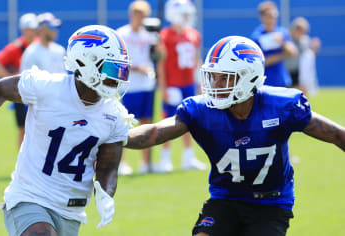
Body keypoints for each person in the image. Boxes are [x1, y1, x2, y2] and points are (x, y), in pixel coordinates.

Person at [125, 36, 345, 236]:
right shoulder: (202, 111)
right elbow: (155, 132)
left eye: (224, 79)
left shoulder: (281, 106)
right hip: (225, 200)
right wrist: (117, 136)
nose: (215, 86)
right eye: (213, 77)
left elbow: (336, 135)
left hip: (271, 203)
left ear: (248, 78)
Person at [0, 25, 133, 236]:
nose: (116, 79)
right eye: (111, 70)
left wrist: (106, 193)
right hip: (30, 196)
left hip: (70, 211)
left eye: (121, 71)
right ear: (85, 62)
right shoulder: (47, 87)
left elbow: (109, 166)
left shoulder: (114, 113)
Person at [156, 0, 206, 172]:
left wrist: (200, 82)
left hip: (188, 84)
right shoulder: (164, 35)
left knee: (189, 122)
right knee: (167, 123)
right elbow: (161, 64)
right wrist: (163, 88)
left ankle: (188, 157)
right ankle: (165, 159)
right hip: (172, 84)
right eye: (184, 14)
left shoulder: (193, 34)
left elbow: (197, 60)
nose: (187, 17)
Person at [116, 0, 161, 175]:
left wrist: (158, 43)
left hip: (147, 85)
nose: (140, 18)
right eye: (138, 14)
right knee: (124, 125)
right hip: (129, 86)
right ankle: (121, 162)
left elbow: (159, 56)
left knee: (147, 123)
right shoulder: (122, 35)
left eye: (143, 15)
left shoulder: (149, 35)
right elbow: (119, 61)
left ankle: (146, 162)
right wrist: (137, 68)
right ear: (132, 14)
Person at [0, 13, 38, 147]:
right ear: (23, 30)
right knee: (23, 128)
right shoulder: (16, 47)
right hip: (23, 93)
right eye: (30, 29)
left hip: (40, 92)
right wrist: (11, 81)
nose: (33, 32)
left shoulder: (41, 47)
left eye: (34, 29)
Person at [251, 1, 298, 87]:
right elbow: (261, 62)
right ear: (262, 17)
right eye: (269, 16)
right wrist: (282, 56)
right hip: (265, 83)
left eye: (274, 16)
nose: (272, 19)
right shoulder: (257, 36)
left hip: (282, 80)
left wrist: (282, 42)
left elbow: (293, 52)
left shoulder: (281, 32)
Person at [286, 17, 321, 96]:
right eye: (302, 31)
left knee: (302, 93)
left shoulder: (305, 40)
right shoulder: (286, 39)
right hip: (286, 72)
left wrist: (315, 48)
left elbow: (309, 54)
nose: (303, 34)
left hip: (298, 72)